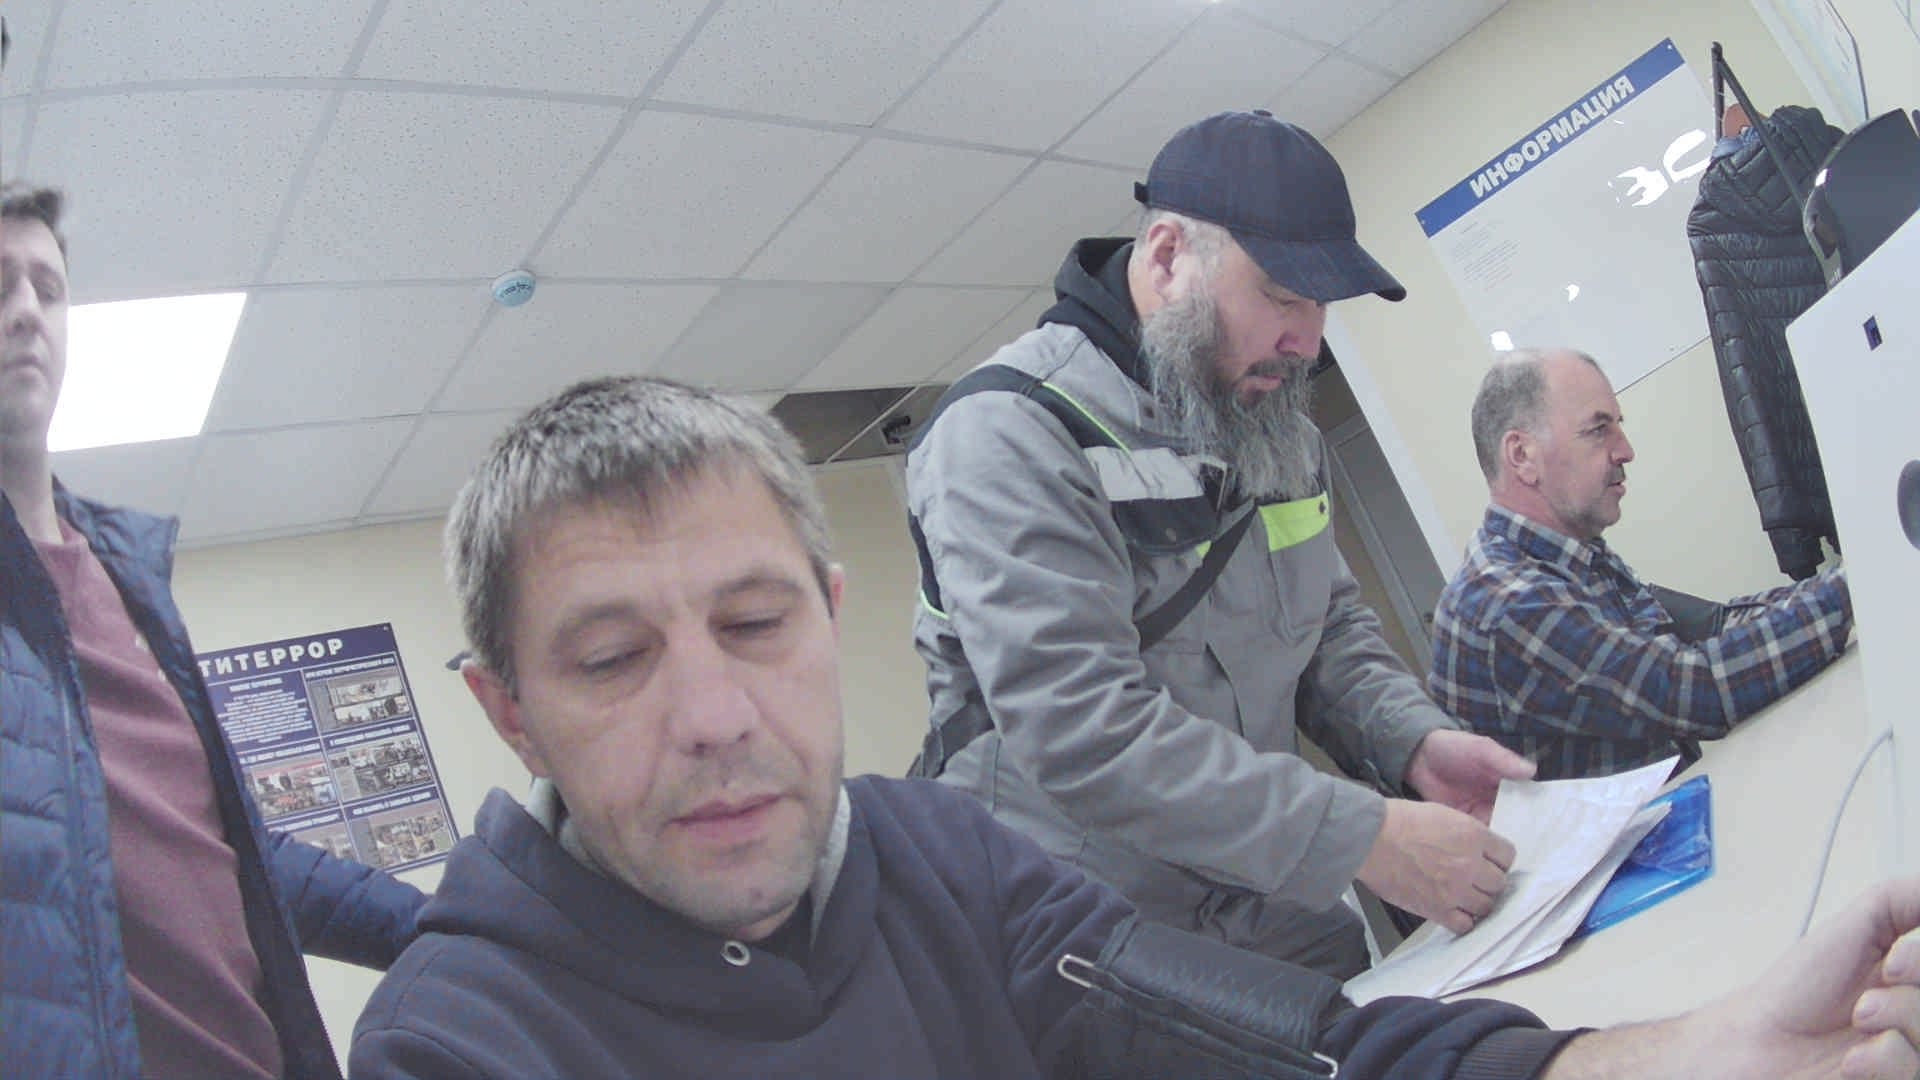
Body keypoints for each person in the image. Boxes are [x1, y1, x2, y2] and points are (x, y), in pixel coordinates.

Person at [348, 374, 1920, 1079]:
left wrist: (1665, 1059)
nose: (710, 716)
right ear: (512, 715)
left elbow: (1289, 1045)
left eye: (756, 626)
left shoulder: (942, 858)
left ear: (831, 616)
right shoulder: (461, 1046)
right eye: (611, 660)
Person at [903, 109, 1530, 976]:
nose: (1308, 340)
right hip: (1095, 942)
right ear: (1168, 258)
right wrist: (1360, 837)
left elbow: (1327, 631)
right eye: (1283, 293)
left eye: (1320, 303)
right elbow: (1084, 729)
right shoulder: (1010, 430)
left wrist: (1413, 741)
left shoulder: (1277, 432)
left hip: (1273, 909)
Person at [1, 183, 426, 1079]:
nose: (27, 310)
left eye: (48, 286)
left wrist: (445, 930)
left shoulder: (129, 579)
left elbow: (226, 856)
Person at [1428, 346, 1852, 780]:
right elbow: (1693, 691)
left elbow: (1712, 627)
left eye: (1619, 427)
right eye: (1599, 430)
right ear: (1522, 455)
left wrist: (1850, 578)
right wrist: (1856, 590)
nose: (1625, 451)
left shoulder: (1568, 552)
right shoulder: (1505, 601)